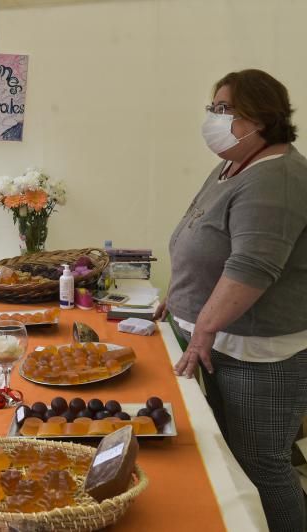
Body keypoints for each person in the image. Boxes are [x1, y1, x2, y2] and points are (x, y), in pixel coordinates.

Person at [156, 69, 307, 532]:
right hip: (220, 343)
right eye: (213, 108)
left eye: (224, 110)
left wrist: (201, 329)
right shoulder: (233, 164)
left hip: (257, 354)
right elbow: (199, 235)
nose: (213, 118)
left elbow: (252, 268)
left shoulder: (277, 177)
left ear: (260, 118)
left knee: (261, 463)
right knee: (229, 454)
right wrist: (175, 297)